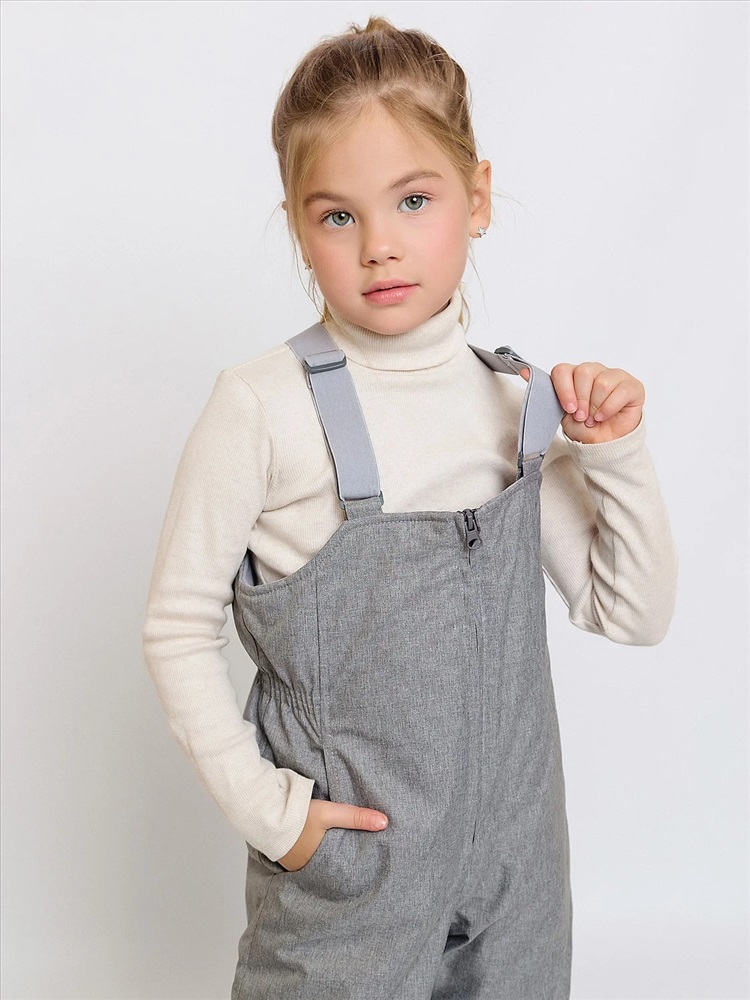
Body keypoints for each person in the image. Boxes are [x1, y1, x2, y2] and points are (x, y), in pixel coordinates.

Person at [142, 15, 678, 1000]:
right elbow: (175, 627)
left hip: (517, 871)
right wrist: (274, 818)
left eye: (414, 200)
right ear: (297, 224)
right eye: (336, 216)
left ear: (478, 198)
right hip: (357, 882)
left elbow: (632, 613)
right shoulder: (261, 406)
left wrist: (616, 454)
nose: (380, 246)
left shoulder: (518, 403)